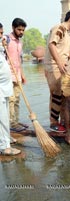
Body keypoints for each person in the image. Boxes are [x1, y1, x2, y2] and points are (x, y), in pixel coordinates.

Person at [44, 9, 70, 133]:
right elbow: (51, 45)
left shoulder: (67, 33)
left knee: (64, 94)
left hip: (63, 68)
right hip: (54, 66)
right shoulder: (59, 28)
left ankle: (64, 122)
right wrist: (60, 62)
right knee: (56, 94)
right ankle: (53, 123)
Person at [0, 23, 21, 155]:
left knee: (5, 117)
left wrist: (4, 45)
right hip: (0, 91)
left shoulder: (1, 50)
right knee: (2, 118)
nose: (1, 37)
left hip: (4, 89)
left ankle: (6, 139)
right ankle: (4, 147)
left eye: (2, 33)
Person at [6, 18, 28, 132]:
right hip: (8, 75)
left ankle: (16, 120)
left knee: (17, 99)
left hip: (17, 75)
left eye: (23, 30)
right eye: (19, 30)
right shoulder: (6, 39)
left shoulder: (19, 42)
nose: (21, 32)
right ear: (13, 28)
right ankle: (11, 123)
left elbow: (19, 60)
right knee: (11, 99)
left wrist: (22, 75)